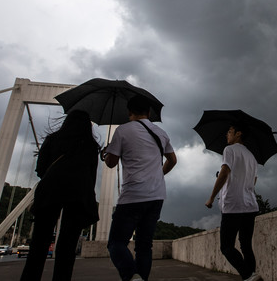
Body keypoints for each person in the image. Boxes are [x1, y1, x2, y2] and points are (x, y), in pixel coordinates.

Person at [103, 95, 177, 281]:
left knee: (116, 243)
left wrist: (107, 152)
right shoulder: (161, 132)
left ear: (129, 112)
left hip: (132, 196)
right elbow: (173, 160)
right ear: (149, 112)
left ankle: (131, 275)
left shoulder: (122, 130)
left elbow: (111, 164)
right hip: (156, 196)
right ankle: (140, 278)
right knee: (144, 246)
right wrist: (157, 175)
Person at [21, 110, 100, 281]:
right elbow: (91, 177)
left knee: (38, 245)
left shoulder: (52, 139)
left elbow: (40, 169)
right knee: (67, 246)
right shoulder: (92, 146)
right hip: (78, 196)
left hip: (50, 192)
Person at [205, 122, 261, 281]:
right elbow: (253, 181)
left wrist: (211, 197)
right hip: (250, 205)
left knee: (226, 246)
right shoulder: (252, 156)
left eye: (230, 131)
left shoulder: (229, 150)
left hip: (233, 206)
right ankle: (251, 276)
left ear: (238, 134)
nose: (227, 134)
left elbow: (224, 173)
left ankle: (248, 275)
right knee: (246, 246)